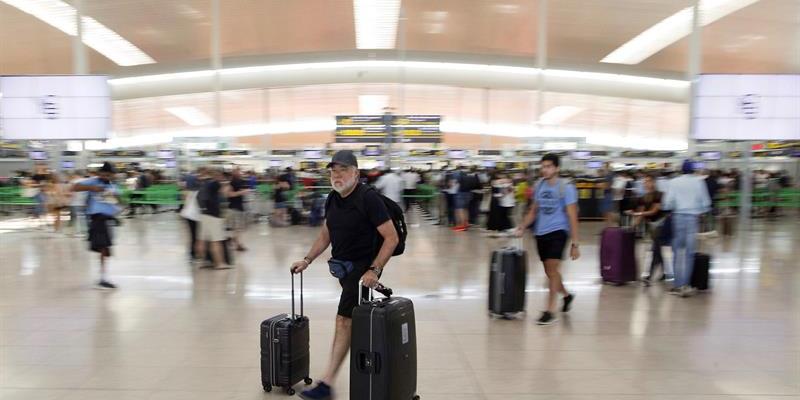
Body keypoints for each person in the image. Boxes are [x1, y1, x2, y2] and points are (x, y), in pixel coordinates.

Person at [291, 150, 399, 400]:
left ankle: (327, 383)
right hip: (344, 268)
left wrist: (374, 269)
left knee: (344, 321)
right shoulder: (332, 198)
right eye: (333, 171)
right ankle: (368, 370)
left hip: (361, 272)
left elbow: (391, 238)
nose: (337, 176)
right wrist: (307, 260)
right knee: (351, 322)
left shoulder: (368, 198)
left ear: (356, 173)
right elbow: (325, 235)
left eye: (342, 170)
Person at [515, 153, 580, 325]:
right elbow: (534, 211)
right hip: (540, 233)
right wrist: (522, 225)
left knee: (551, 271)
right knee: (550, 272)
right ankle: (566, 296)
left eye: (549, 166)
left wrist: (575, 243)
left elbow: (572, 216)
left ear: (557, 168)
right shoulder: (539, 186)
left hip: (558, 232)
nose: (545, 170)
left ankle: (550, 310)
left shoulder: (566, 188)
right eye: (543, 166)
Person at [663, 160, 711, 298]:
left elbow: (667, 204)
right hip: (692, 219)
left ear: (681, 170)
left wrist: (674, 207)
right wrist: (699, 210)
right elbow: (706, 204)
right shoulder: (699, 182)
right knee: (690, 253)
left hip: (677, 218)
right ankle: (686, 285)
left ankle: (677, 286)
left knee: (677, 252)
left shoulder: (674, 182)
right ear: (693, 170)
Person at [72, 162, 122, 289]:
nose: (107, 177)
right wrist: (92, 188)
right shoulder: (93, 181)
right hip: (97, 219)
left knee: (105, 249)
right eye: (105, 174)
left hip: (108, 219)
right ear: (100, 173)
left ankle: (103, 277)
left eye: (110, 175)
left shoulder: (113, 185)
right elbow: (74, 187)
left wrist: (116, 197)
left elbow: (120, 201)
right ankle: (102, 279)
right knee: (104, 247)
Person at [629, 174, 667, 284]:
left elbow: (654, 210)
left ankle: (649, 276)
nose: (646, 183)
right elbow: (641, 214)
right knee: (657, 249)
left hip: (661, 225)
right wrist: (633, 225)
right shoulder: (642, 198)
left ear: (654, 182)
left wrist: (638, 213)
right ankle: (664, 273)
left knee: (655, 250)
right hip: (652, 227)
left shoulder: (659, 195)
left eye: (649, 181)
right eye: (644, 181)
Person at [195, 168, 230, 270]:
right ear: (216, 175)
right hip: (213, 215)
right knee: (216, 241)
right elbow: (224, 192)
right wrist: (224, 184)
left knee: (201, 240)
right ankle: (219, 263)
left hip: (203, 214)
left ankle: (202, 262)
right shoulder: (214, 183)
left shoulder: (202, 184)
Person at [180, 167, 203, 262]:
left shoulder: (189, 192)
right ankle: (194, 254)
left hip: (188, 215)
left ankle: (192, 254)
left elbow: (185, 202)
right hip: (194, 215)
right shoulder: (199, 192)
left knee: (193, 235)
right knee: (197, 235)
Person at [226, 168, 250, 251]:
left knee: (238, 228)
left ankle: (232, 240)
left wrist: (243, 191)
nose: (240, 173)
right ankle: (238, 245)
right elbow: (229, 194)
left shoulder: (239, 182)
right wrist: (241, 192)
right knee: (237, 228)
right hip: (234, 208)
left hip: (238, 208)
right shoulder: (232, 182)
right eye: (238, 171)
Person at [486, 171, 514, 236]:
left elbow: (505, 188)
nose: (501, 177)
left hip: (501, 201)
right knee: (501, 215)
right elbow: (503, 185)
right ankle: (503, 228)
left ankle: (503, 228)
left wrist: (501, 194)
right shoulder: (496, 182)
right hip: (500, 201)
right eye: (501, 175)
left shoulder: (498, 182)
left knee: (502, 215)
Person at [68, 171, 88, 237]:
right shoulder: (87, 181)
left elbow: (71, 192)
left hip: (74, 203)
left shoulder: (74, 181)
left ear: (76, 175)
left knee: (73, 218)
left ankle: (73, 232)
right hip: (84, 202)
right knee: (83, 218)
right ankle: (84, 232)